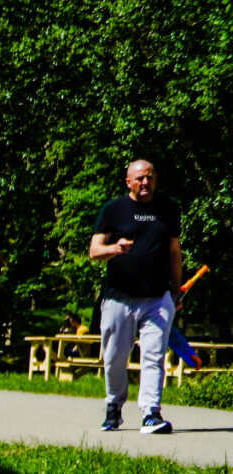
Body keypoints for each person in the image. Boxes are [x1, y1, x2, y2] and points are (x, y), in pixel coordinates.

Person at [88, 159, 185, 435]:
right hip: (119, 299)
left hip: (157, 298)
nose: (146, 183)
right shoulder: (113, 210)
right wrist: (115, 248)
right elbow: (94, 250)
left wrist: (176, 290)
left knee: (153, 355)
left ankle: (151, 413)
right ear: (128, 182)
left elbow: (174, 251)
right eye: (140, 178)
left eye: (150, 177)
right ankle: (113, 406)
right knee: (115, 356)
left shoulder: (168, 208)